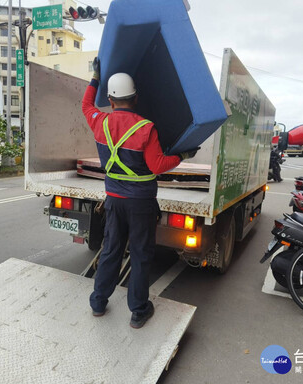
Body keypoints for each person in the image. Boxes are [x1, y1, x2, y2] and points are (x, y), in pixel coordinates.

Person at [82, 57, 198, 329]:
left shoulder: (100, 121)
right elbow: (157, 166)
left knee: (110, 250)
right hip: (141, 204)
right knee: (140, 254)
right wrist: (182, 155)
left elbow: (86, 105)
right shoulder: (146, 128)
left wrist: (94, 78)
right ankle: (138, 310)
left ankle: (98, 302)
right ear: (135, 99)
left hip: (114, 202)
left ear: (110, 100)